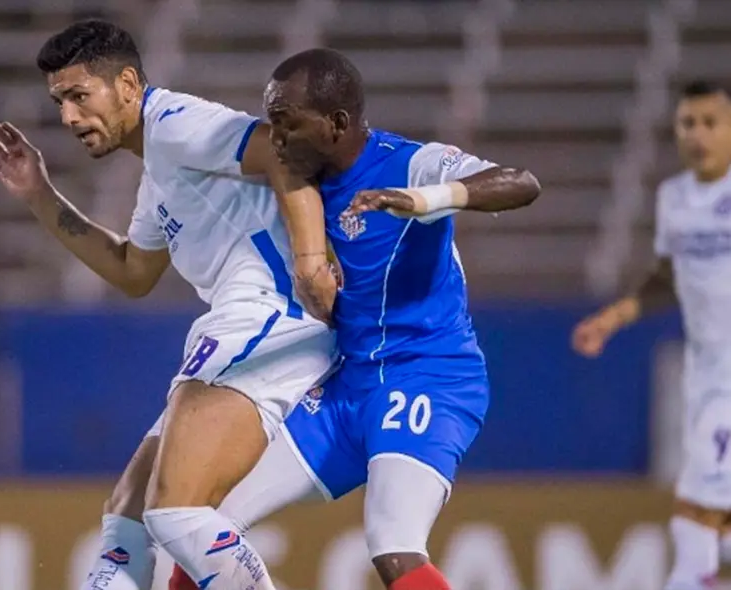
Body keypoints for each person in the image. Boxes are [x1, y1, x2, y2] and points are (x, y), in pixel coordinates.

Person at [0, 20, 339, 590]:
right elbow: (132, 271)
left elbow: (279, 149)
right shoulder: (159, 175)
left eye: (79, 96)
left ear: (126, 84)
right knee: (126, 517)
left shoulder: (174, 123)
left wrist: (311, 262)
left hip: (268, 318)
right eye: (59, 102)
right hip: (248, 326)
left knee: (172, 513)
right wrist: (40, 195)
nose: (68, 117)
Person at [169, 47, 541, 590]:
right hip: (349, 384)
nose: (274, 139)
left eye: (286, 123)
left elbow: (521, 182)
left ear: (337, 124)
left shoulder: (408, 163)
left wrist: (427, 200)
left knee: (393, 544)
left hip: (429, 376)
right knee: (203, 522)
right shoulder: (298, 180)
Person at [572, 80, 731, 590]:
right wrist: (613, 318)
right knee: (711, 507)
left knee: (698, 504)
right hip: (707, 372)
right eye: (689, 123)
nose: (698, 134)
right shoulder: (675, 199)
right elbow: (667, 277)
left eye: (711, 122)